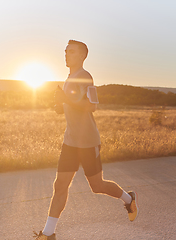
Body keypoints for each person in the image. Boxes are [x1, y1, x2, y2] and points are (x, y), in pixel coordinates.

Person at [34, 40, 138, 240]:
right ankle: (48, 233)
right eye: (65, 51)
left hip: (88, 141)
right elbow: (73, 104)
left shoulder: (85, 76)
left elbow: (92, 106)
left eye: (71, 52)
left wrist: (65, 99)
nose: (66, 54)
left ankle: (128, 198)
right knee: (60, 185)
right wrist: (61, 106)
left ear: (82, 56)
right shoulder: (70, 76)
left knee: (97, 186)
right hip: (71, 141)